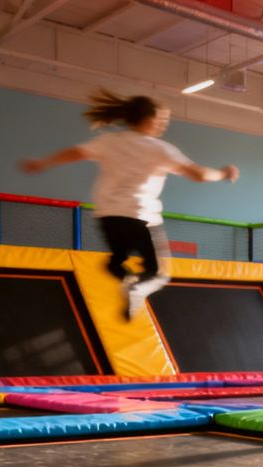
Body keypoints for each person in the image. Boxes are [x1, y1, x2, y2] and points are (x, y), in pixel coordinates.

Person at [21, 89, 239, 320]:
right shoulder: (160, 148)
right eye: (162, 119)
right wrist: (223, 173)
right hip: (141, 217)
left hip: (108, 217)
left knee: (115, 263)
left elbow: (76, 152)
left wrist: (43, 162)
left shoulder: (110, 141)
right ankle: (135, 289)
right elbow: (199, 175)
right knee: (157, 274)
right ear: (148, 119)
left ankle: (126, 279)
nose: (164, 125)